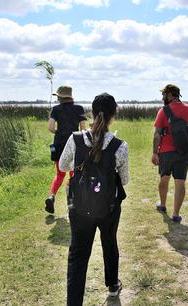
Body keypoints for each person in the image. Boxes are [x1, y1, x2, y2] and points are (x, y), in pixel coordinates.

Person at [59, 93, 129, 306]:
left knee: (78, 255)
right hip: (108, 207)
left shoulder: (75, 139)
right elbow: (124, 180)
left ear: (91, 111)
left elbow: (62, 166)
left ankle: (74, 303)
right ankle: (113, 285)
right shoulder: (119, 145)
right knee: (109, 243)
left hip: (79, 206)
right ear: (113, 116)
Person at [151, 84, 188, 222]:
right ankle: (176, 214)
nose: (162, 97)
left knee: (164, 178)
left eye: (164, 94)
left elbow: (157, 135)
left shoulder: (163, 111)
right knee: (180, 182)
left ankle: (163, 205)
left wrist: (155, 153)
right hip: (183, 152)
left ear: (171, 95)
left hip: (166, 152)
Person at [45, 85, 87, 214]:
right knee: (73, 174)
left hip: (59, 145)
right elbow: (83, 128)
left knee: (59, 174)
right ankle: (72, 200)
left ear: (60, 97)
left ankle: (51, 196)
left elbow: (51, 128)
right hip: (75, 144)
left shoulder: (56, 109)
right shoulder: (79, 108)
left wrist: (59, 132)